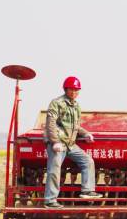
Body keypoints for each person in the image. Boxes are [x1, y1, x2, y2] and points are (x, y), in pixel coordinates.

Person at [43, 76, 102, 208]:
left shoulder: (76, 106)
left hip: (70, 144)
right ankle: (50, 200)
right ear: (66, 89)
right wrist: (55, 142)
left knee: (88, 161)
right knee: (54, 169)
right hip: (59, 143)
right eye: (72, 89)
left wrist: (85, 133)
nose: (74, 92)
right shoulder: (57, 103)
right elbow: (50, 123)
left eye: (77, 90)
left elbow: (75, 126)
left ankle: (87, 191)